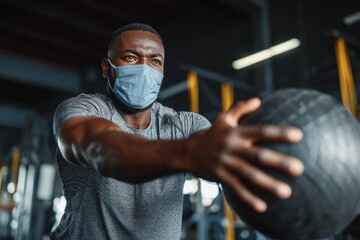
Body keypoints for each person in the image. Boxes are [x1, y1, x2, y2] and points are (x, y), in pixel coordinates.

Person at [51, 23, 304, 239]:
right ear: (107, 67)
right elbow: (96, 144)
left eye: (155, 61)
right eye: (130, 57)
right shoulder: (82, 109)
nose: (144, 68)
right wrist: (188, 153)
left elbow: (223, 161)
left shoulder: (185, 125)